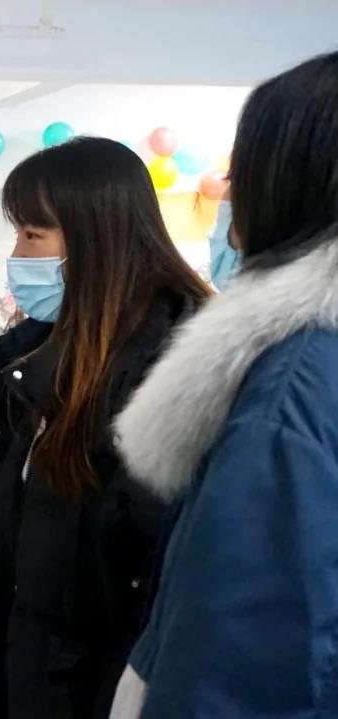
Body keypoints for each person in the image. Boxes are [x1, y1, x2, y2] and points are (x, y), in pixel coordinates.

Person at [110, 50, 338, 718]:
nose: (229, 196)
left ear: (290, 182)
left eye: (243, 174)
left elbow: (243, 662)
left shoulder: (293, 385)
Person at [0, 137, 212, 718]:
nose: (16, 254)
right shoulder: (49, 360)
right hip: (39, 677)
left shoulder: (173, 368)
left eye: (33, 235)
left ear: (96, 239)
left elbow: (160, 582)